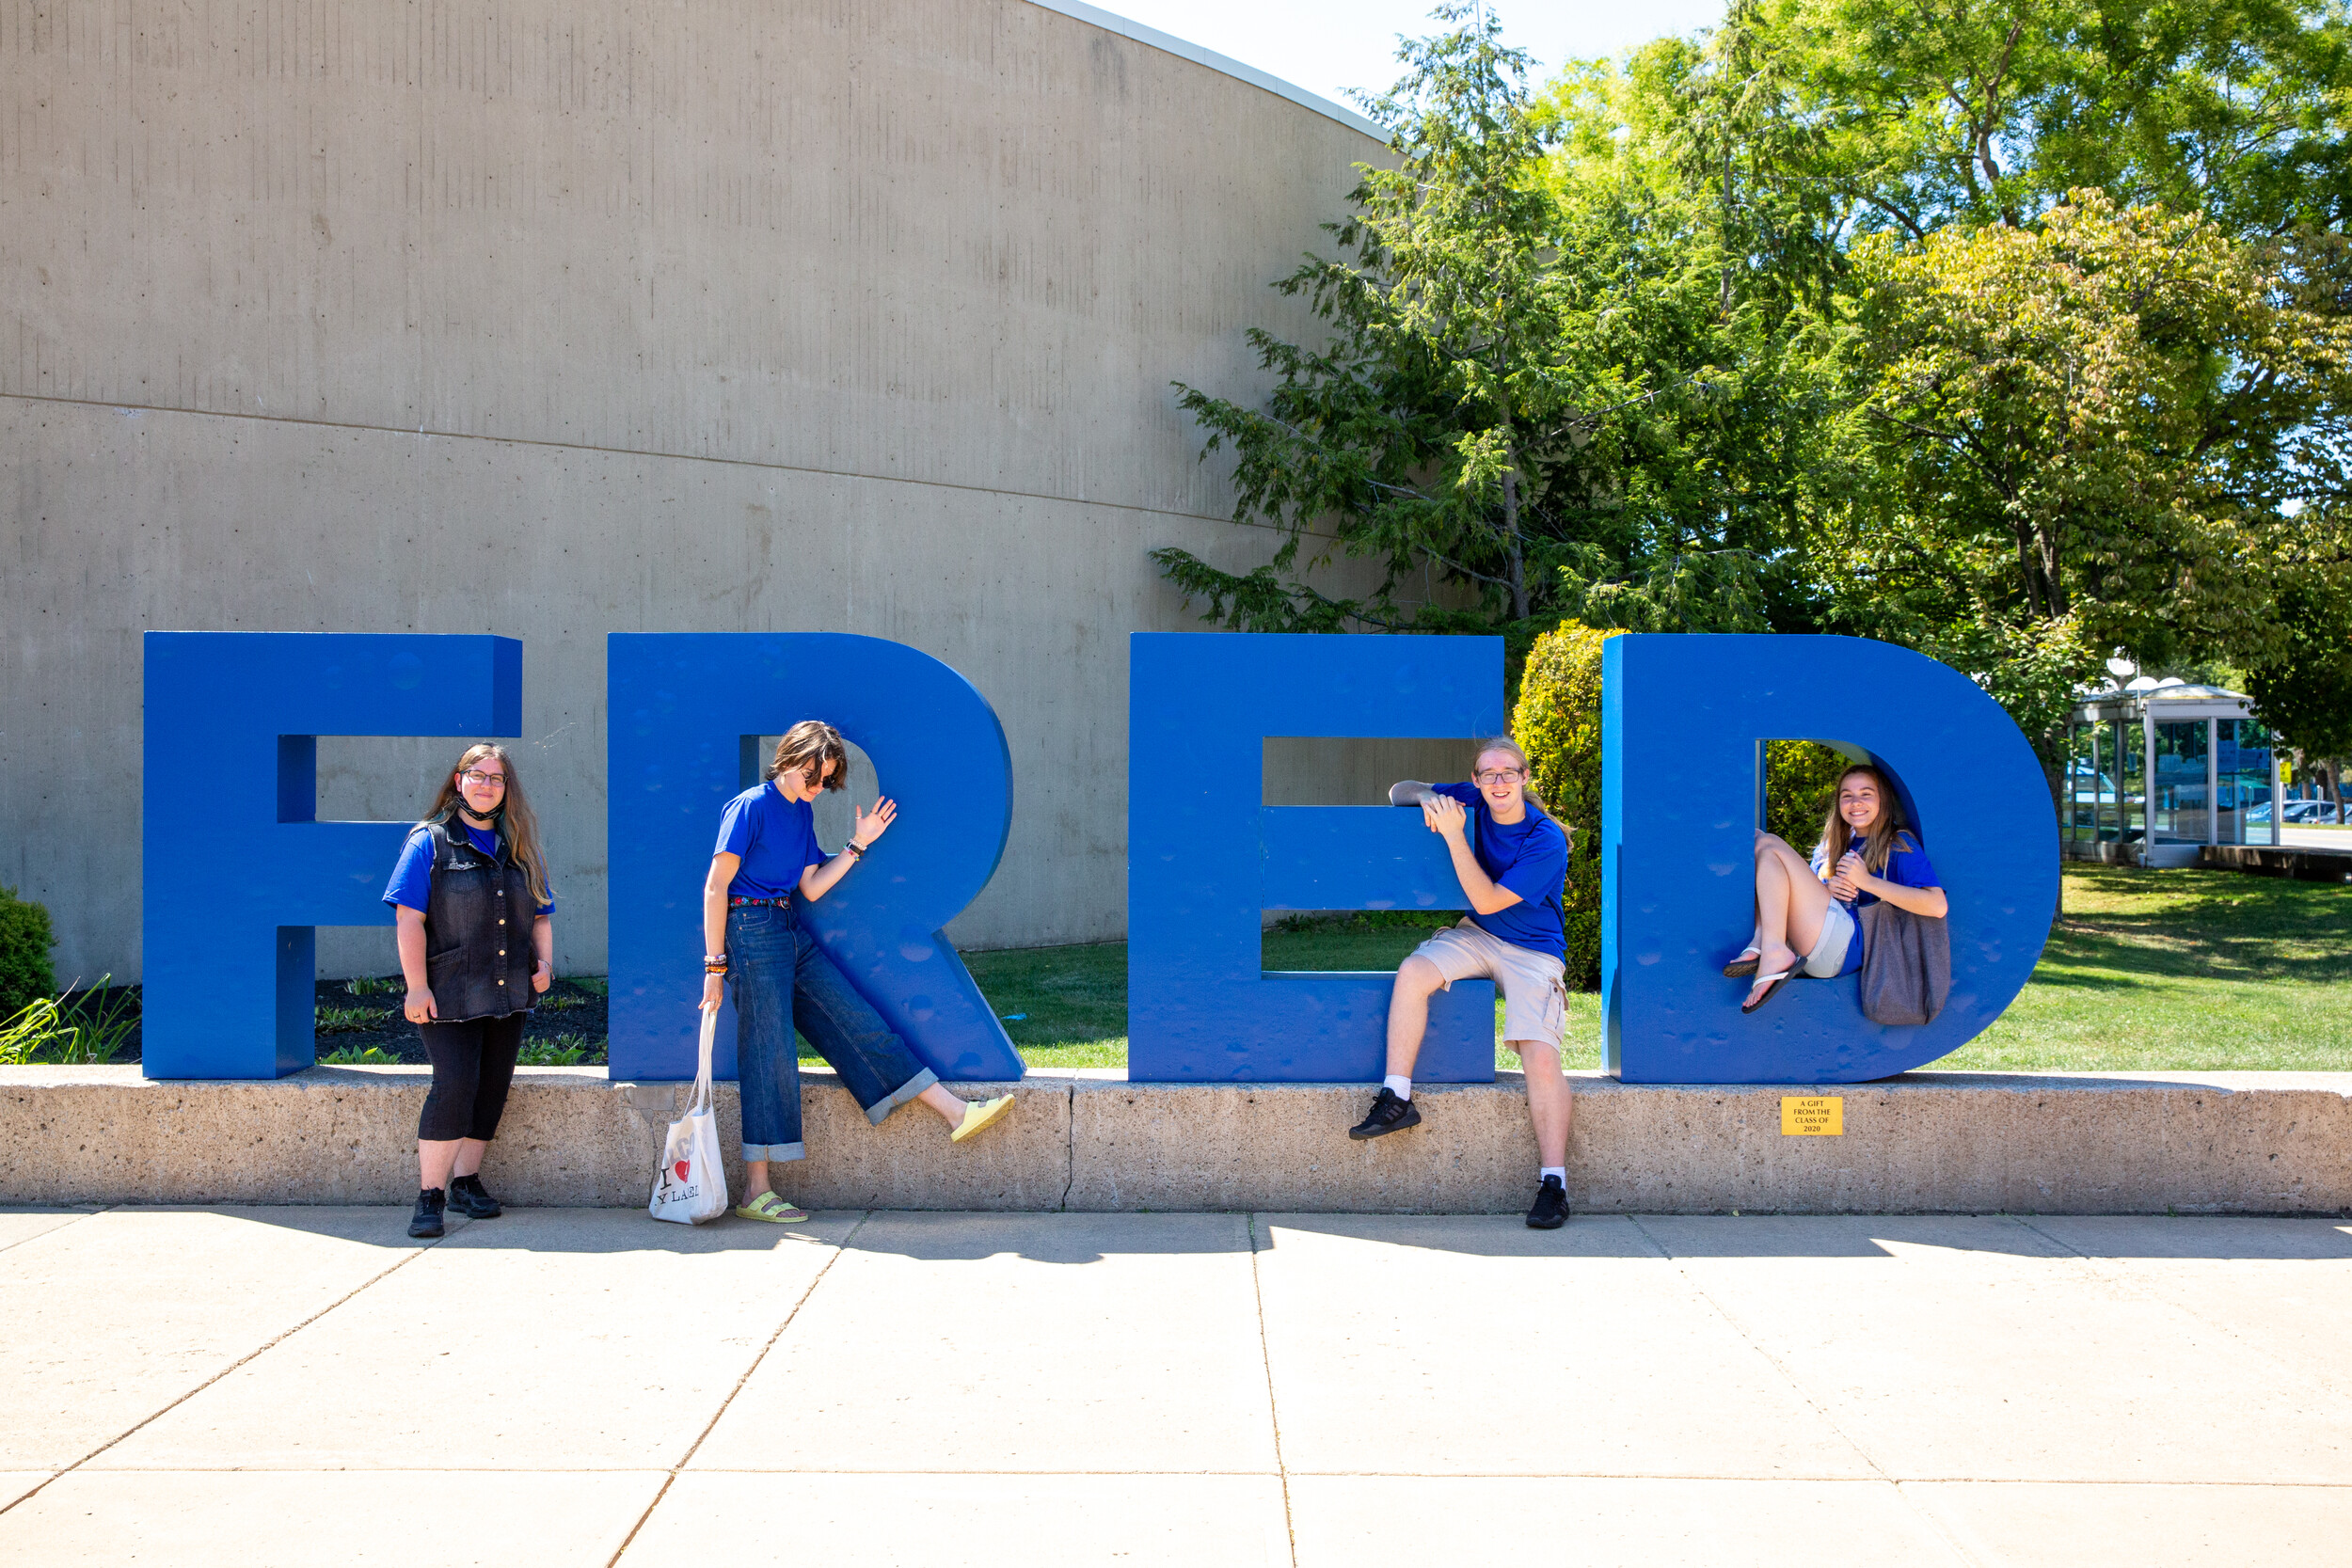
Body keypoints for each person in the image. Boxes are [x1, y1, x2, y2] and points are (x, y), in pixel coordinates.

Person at [701, 720, 1015, 1223]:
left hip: (787, 925)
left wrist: (858, 842)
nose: (819, 788)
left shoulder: (800, 815)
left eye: (825, 780)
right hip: (748, 930)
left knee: (854, 1017)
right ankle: (756, 1190)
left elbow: (812, 888)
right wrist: (715, 965)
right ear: (792, 758)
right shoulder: (750, 807)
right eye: (814, 776)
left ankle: (955, 1111)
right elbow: (716, 887)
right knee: (769, 1054)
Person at [1346, 737, 1577, 1230]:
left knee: (1538, 1050)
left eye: (1508, 773)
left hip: (1534, 952)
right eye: (1487, 774)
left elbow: (1491, 899)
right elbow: (1397, 790)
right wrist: (1430, 797)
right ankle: (1397, 1098)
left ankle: (1553, 1183)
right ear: (1475, 781)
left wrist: (1454, 835)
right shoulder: (1471, 800)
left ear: (1525, 778)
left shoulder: (1544, 839)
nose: (1497, 782)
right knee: (1413, 972)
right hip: (1479, 937)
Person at [384, 744, 556, 1240]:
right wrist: (417, 987)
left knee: (492, 1086)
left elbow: (541, 914)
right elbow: (408, 919)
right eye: (476, 775)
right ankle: (430, 1196)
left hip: (509, 989)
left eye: (496, 779)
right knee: (455, 1085)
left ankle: (466, 1182)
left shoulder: (522, 846)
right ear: (458, 781)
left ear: (507, 788)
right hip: (449, 991)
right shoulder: (428, 843)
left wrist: (544, 963)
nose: (486, 785)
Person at [1727, 764, 1948, 1011]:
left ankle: (1772, 948)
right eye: (1847, 795)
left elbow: (1937, 905)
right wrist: (1827, 888)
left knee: (1767, 842)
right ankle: (1765, 940)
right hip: (1812, 945)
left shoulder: (1898, 844)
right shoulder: (1831, 846)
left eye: (1866, 794)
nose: (1856, 802)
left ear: (1883, 800)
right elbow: (1793, 897)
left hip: (1846, 950)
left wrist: (1866, 882)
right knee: (1759, 842)